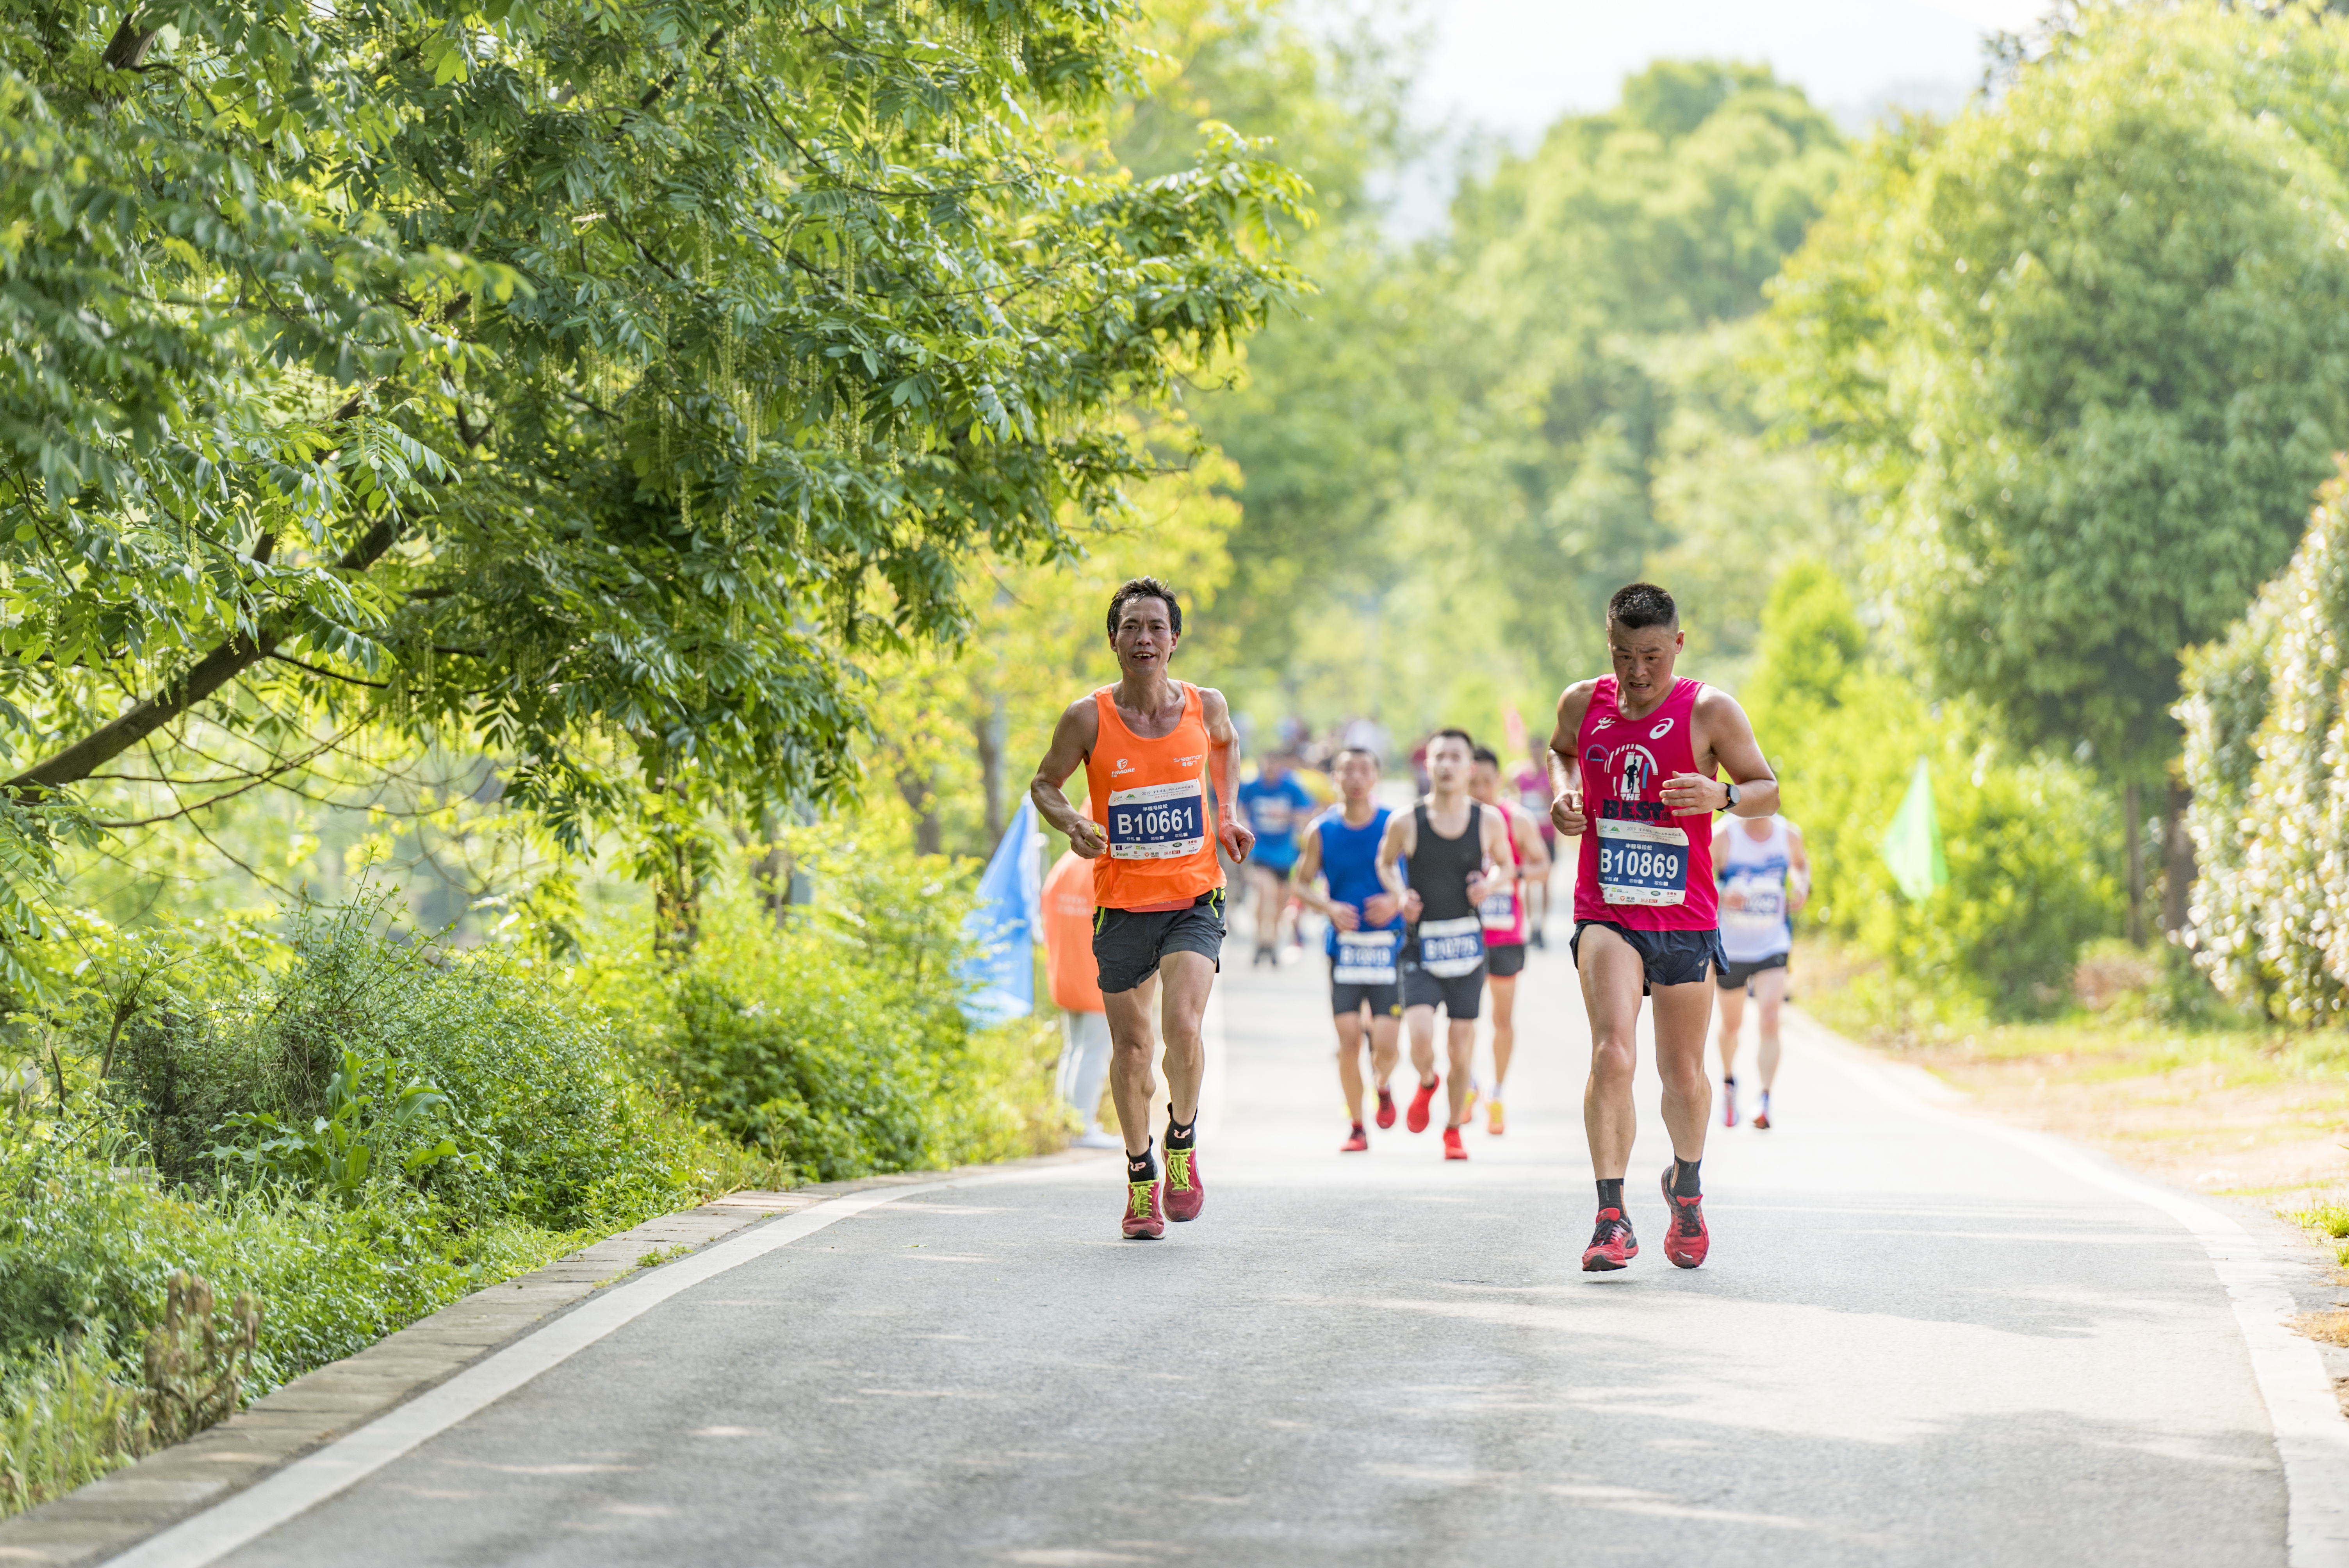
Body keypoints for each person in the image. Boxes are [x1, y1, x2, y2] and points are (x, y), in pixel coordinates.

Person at [1548, 582, 1778, 1271]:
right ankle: (1611, 1216)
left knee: (1682, 1074)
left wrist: (1723, 795)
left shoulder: (1710, 710)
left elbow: (1766, 786)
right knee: (1612, 1053)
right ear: (1608, 647)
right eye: (1623, 655)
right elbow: (1560, 749)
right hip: (1606, 906)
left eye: (1652, 654)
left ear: (1678, 643)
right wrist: (1565, 792)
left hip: (1683, 914)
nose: (1638, 671)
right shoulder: (1582, 701)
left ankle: (1686, 1185)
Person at [1029, 576, 1254, 1240]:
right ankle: (1139, 1176)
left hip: (1192, 896)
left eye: (1156, 626)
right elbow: (1045, 783)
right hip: (1122, 905)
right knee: (1133, 1050)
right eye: (1132, 626)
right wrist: (1073, 822)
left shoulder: (1204, 706)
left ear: (1174, 640)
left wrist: (1228, 813)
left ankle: (1180, 1141)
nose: (1145, 638)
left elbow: (1227, 744)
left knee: (1182, 1026)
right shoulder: (1087, 718)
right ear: (1114, 640)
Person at [1377, 728, 1515, 1162]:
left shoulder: (1487, 819)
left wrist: (1489, 885)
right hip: (1422, 947)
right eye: (1440, 757)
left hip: (1467, 951)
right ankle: (1425, 1081)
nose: (1447, 765)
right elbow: (1385, 862)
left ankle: (1453, 1129)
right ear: (1428, 764)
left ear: (1470, 767)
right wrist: (1401, 894)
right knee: (1420, 1039)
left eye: (1456, 757)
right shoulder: (1406, 820)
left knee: (1461, 1047)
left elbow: (1508, 866)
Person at [1290, 747, 1408, 1151]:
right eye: (1347, 770)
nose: (1356, 777)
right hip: (1344, 949)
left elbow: (1417, 878)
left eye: (1364, 769)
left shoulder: (1395, 824)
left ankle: (1383, 1083)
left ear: (1375, 776)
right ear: (1336, 777)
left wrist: (1396, 901)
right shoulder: (1320, 830)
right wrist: (1329, 906)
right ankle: (1357, 1125)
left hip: (1388, 946)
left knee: (1388, 1044)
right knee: (1348, 1039)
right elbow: (1301, 883)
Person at [1468, 745, 1552, 1135]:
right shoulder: (1451, 821)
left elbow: (1542, 867)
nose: (1480, 789)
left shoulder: (1515, 819)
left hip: (1505, 934)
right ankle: (1468, 1086)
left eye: (1487, 781)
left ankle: (1497, 1092)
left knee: (1502, 1017)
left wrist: (1508, 874)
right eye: (1473, 782)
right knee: (1461, 1018)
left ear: (1498, 780)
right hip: (1461, 933)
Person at [1042, 848, 1144, 1150]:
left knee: (1073, 1050)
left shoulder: (1065, 865)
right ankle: (1082, 1127)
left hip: (1065, 974)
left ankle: (1068, 1123)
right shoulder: (1106, 865)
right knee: (1094, 1053)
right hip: (1096, 974)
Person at [1714, 813, 1809, 1131]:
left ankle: (1764, 1099)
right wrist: (1723, 892)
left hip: (1773, 942)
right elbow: (1697, 878)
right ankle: (1729, 1083)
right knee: (1732, 1025)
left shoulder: (1788, 834)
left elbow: (1800, 865)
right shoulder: (1724, 836)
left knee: (1770, 1018)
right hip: (1732, 945)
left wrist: (1801, 885)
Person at [1236, 753, 1315, 966]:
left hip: (1285, 853)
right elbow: (1239, 809)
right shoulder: (1252, 786)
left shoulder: (1292, 787)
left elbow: (1307, 812)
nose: (1270, 769)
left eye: (1275, 765)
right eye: (1267, 764)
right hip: (1260, 850)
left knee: (1281, 900)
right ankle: (1261, 937)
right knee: (1264, 892)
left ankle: (1272, 941)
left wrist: (1288, 817)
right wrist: (1244, 825)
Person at [1513, 741, 1559, 946]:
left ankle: (1543, 928)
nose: (1536, 753)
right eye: (1533, 749)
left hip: (1547, 835)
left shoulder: (1551, 775)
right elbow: (1514, 798)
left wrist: (1549, 797)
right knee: (1527, 881)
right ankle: (1532, 927)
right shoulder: (1521, 776)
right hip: (1527, 838)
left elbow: (1561, 797)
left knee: (1545, 881)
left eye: (1540, 749)